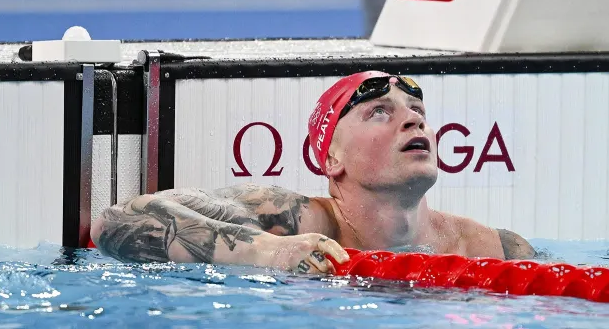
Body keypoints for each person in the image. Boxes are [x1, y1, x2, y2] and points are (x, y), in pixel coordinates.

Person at [91, 71, 535, 273]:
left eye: (417, 110)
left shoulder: (499, 249)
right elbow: (114, 221)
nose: (414, 120)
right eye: (379, 112)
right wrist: (267, 252)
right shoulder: (293, 220)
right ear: (332, 160)